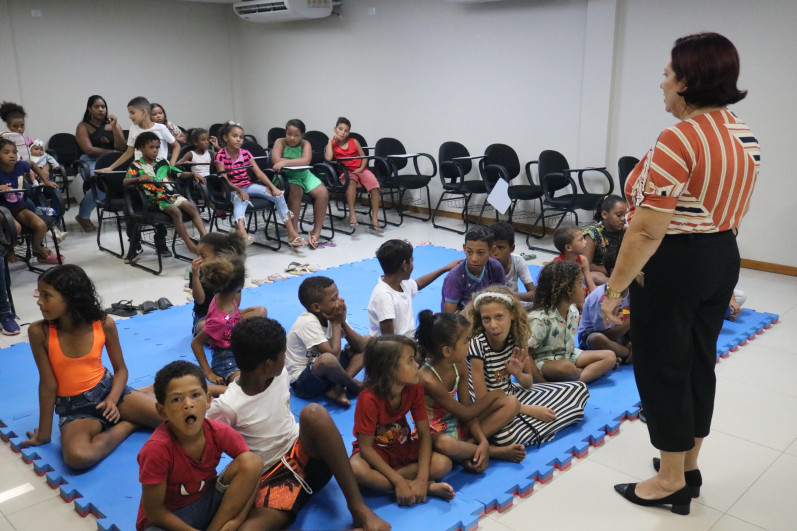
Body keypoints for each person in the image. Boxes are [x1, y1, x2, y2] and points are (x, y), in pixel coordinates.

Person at [601, 33, 758, 514]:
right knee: (697, 362)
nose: (662, 83)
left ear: (687, 81)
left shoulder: (680, 137)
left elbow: (647, 229)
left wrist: (614, 289)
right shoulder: (742, 133)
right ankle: (687, 465)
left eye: (667, 73)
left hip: (674, 265)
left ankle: (669, 481)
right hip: (721, 255)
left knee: (663, 367)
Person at [207, 317, 391, 531]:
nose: (285, 359)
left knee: (313, 413)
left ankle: (358, 507)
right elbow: (204, 446)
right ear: (268, 364)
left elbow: (258, 398)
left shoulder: (280, 374)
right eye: (282, 354)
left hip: (308, 458)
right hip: (272, 479)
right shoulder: (227, 406)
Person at [19, 265, 161, 469]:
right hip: (75, 409)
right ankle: (131, 422)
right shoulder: (38, 331)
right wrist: (43, 434)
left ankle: (136, 402)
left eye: (47, 295)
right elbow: (48, 384)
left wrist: (112, 399)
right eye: (39, 294)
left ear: (71, 298)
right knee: (78, 457)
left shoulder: (103, 324)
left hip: (108, 392)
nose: (39, 302)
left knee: (173, 420)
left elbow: (121, 370)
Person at [136, 360, 263, 531]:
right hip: (170, 519)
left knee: (252, 461)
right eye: (176, 399)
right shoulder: (156, 450)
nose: (188, 404)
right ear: (162, 411)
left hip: (207, 503)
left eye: (195, 395)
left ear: (209, 400)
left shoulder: (219, 432)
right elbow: (154, 512)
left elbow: (254, 472)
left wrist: (236, 521)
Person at [466, 285, 590, 447]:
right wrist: (530, 410)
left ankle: (534, 425)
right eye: (486, 319)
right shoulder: (477, 345)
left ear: (512, 314)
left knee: (578, 388)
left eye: (499, 317)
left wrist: (518, 374)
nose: (493, 325)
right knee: (504, 437)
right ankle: (540, 423)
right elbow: (482, 400)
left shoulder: (518, 337)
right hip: (488, 407)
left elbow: (528, 383)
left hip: (513, 394)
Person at [349, 335, 455, 506]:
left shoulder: (414, 389)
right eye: (410, 361)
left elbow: (424, 435)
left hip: (403, 448)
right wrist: (399, 481)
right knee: (356, 469)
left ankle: (382, 484)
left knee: (443, 464)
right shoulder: (368, 399)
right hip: (376, 453)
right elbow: (366, 449)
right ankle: (423, 487)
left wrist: (421, 479)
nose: (417, 365)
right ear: (389, 370)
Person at [415, 310, 526, 471]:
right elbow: (465, 413)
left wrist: (482, 440)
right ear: (447, 351)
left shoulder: (459, 364)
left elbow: (467, 408)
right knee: (446, 444)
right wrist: (492, 395)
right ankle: (493, 452)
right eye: (466, 341)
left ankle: (470, 449)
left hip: (457, 422)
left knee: (512, 402)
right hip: (434, 431)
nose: (470, 344)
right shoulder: (428, 379)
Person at [214, 122, 306, 248]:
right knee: (240, 200)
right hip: (231, 189)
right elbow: (224, 180)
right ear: (225, 138)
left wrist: (273, 188)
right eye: (234, 136)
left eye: (241, 137)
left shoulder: (246, 153)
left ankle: (292, 233)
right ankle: (243, 234)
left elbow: (259, 174)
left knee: (278, 195)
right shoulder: (220, 155)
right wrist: (240, 191)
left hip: (248, 186)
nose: (238, 139)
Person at [528, 261, 616, 383]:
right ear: (566, 289)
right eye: (580, 283)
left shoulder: (573, 311)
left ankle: (575, 381)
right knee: (567, 369)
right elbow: (525, 354)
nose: (584, 288)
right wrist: (542, 383)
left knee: (610, 356)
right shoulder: (540, 319)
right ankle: (581, 374)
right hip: (544, 361)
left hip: (568, 355)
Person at [285, 276, 366, 407]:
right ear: (317, 307)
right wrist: (336, 323)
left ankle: (338, 387)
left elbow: (362, 347)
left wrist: (342, 322)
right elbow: (333, 358)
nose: (340, 301)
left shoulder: (334, 315)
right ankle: (352, 385)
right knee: (327, 359)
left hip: (329, 374)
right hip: (303, 383)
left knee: (367, 341)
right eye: (334, 299)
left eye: (338, 296)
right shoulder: (307, 322)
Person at [123, 132, 207, 256]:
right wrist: (138, 179)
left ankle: (205, 240)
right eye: (151, 147)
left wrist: (192, 174)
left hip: (171, 195)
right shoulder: (136, 165)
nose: (155, 150)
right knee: (175, 211)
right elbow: (125, 181)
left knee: (192, 208)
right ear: (141, 148)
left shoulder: (163, 162)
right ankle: (190, 245)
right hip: (155, 199)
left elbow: (178, 173)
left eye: (157, 147)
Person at [191, 256, 267, 385]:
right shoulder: (220, 321)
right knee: (246, 386)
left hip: (240, 348)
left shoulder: (223, 296)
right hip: (226, 360)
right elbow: (196, 343)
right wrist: (208, 373)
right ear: (241, 284)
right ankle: (216, 389)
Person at [368, 238, 462, 337]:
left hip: (408, 340)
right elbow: (388, 340)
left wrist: (446, 268)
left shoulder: (401, 282)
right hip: (396, 345)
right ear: (404, 265)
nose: (413, 266)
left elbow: (418, 284)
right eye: (412, 261)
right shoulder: (384, 297)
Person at [0, 138, 62, 264]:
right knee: (16, 228)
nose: (12, 155)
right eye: (6, 152)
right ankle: (9, 249)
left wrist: (45, 181)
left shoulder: (21, 165)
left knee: (41, 225)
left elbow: (32, 164)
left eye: (14, 152)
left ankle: (36, 247)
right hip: (2, 209)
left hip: (19, 207)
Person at [271, 119, 329, 249]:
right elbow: (275, 160)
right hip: (285, 176)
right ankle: (294, 234)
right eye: (289, 134)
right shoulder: (279, 142)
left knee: (323, 193)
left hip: (304, 174)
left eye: (296, 135)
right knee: (296, 192)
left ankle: (316, 231)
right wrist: (295, 161)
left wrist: (285, 162)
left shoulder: (306, 143)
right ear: (285, 132)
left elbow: (306, 161)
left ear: (302, 135)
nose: (292, 138)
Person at [74, 95, 126, 232]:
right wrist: (111, 152)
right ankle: (83, 216)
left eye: (103, 107)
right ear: (89, 109)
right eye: (97, 107)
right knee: (100, 183)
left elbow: (121, 147)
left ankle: (128, 213)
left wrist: (115, 127)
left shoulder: (113, 125)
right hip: (89, 161)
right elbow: (88, 149)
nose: (101, 109)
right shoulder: (83, 126)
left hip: (112, 161)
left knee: (127, 178)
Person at [577, 239, 632, 364]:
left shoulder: (632, 290)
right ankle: (627, 353)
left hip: (622, 333)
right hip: (597, 335)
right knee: (597, 339)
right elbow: (607, 335)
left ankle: (617, 354)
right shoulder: (600, 297)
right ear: (614, 272)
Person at [324, 117, 382, 230]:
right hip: (346, 171)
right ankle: (352, 213)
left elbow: (364, 157)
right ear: (335, 129)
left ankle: (374, 218)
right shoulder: (332, 144)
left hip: (360, 169)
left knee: (375, 186)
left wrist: (361, 168)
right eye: (340, 129)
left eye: (346, 131)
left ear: (348, 133)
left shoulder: (354, 141)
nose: (343, 133)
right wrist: (329, 142)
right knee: (351, 182)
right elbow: (329, 158)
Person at [97, 96, 180, 173]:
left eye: (132, 113)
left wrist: (171, 166)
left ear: (143, 112)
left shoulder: (161, 128)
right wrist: (110, 168)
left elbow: (177, 146)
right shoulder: (133, 129)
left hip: (160, 172)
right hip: (140, 172)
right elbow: (129, 152)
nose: (130, 116)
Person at [190, 231, 247, 336]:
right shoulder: (197, 272)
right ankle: (230, 330)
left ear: (219, 256)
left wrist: (236, 282)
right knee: (203, 326)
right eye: (198, 255)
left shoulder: (230, 271)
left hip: (229, 314)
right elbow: (199, 300)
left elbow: (236, 303)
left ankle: (227, 330)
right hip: (206, 317)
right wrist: (195, 276)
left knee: (260, 311)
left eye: (203, 256)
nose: (199, 259)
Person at [441, 225, 506, 312]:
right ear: (464, 248)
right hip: (461, 317)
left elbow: (503, 299)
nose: (474, 259)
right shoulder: (454, 278)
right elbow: (448, 317)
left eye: (480, 253)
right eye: (469, 252)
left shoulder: (495, 267)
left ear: (492, 251)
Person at [582, 195, 628, 286]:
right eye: (619, 215)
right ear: (605, 214)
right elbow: (585, 264)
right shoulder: (593, 233)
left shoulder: (624, 231)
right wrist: (607, 271)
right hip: (599, 272)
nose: (623, 219)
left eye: (625, 215)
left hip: (616, 270)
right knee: (597, 277)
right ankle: (616, 286)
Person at [490, 221, 536, 304]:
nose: (495, 253)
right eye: (492, 248)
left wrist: (509, 295)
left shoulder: (518, 261)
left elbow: (533, 294)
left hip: (512, 302)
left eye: (500, 248)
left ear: (512, 248)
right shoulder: (485, 263)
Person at [552, 224, 597, 295]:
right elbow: (562, 294)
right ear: (568, 247)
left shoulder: (583, 260)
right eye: (581, 240)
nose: (585, 242)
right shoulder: (558, 266)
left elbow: (592, 286)